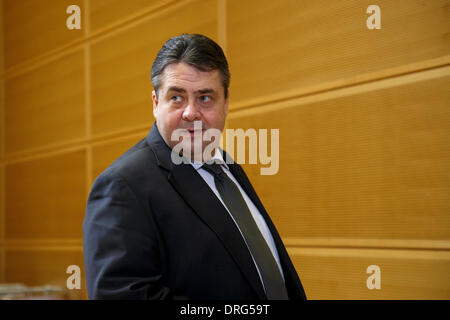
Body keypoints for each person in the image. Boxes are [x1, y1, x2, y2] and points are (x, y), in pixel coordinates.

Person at [83, 33, 307, 300]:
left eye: (204, 98)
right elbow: (120, 295)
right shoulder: (122, 185)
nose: (191, 112)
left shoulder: (226, 168)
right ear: (156, 104)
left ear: (226, 103)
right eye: (177, 98)